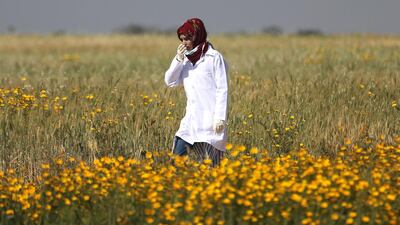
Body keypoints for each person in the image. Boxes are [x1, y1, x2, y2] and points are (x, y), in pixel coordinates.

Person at [164, 18, 229, 166]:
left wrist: (220, 118)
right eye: (182, 39)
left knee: (212, 167)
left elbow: (222, 89)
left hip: (210, 124)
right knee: (175, 163)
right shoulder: (185, 60)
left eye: (188, 38)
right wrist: (178, 59)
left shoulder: (213, 58)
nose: (184, 43)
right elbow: (170, 82)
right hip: (191, 122)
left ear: (197, 35)